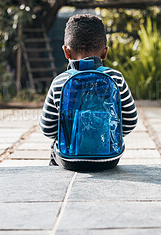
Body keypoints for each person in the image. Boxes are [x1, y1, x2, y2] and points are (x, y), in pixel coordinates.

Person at [39, 14, 137, 170]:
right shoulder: (116, 78)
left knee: (54, 149)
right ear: (105, 52)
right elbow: (130, 121)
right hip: (109, 158)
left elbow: (47, 129)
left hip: (70, 160)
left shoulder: (59, 81)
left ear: (66, 52)